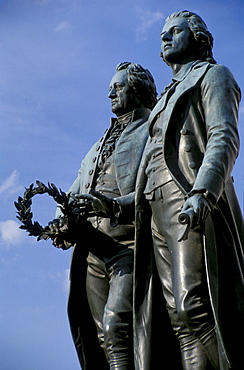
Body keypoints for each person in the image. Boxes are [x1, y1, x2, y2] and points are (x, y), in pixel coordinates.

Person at [132, 10, 244, 370]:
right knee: (179, 322)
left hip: (188, 198)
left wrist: (203, 192)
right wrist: (107, 205)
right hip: (155, 210)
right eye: (162, 34)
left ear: (197, 38)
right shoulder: (161, 101)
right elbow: (148, 166)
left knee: (194, 304)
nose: (164, 38)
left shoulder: (214, 76)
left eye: (174, 31)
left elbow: (223, 137)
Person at [50, 62, 157, 370]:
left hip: (130, 249)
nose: (110, 92)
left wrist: (111, 207)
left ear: (137, 91)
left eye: (118, 86)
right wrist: (62, 220)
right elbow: (74, 190)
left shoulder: (153, 131)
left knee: (116, 329)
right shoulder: (96, 146)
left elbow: (157, 190)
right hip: (92, 253)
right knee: (101, 338)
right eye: (110, 87)